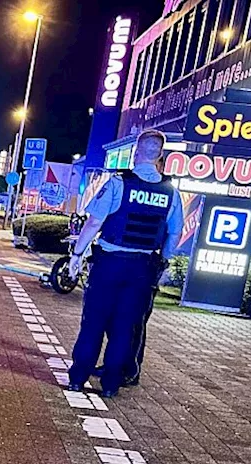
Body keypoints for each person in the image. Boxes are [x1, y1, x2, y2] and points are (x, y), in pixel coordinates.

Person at [65, 130, 184, 398]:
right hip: (143, 267)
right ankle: (110, 385)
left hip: (110, 262)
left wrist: (77, 254)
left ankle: (78, 378)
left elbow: (94, 222)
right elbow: (174, 232)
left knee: (93, 322)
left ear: (136, 152)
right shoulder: (171, 192)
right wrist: (162, 260)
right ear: (160, 155)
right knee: (125, 327)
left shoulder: (118, 183)